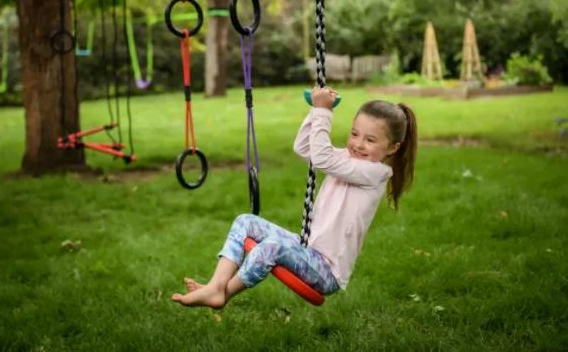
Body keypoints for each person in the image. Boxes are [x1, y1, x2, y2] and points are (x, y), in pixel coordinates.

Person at [172, 87, 418, 309]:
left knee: (272, 248)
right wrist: (315, 111)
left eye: (371, 140)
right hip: (308, 250)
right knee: (245, 221)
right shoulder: (347, 158)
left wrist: (324, 112)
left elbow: (321, 158)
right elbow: (304, 148)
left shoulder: (374, 173)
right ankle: (216, 285)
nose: (358, 144)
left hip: (326, 271)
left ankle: (223, 294)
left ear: (392, 148)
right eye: (355, 134)